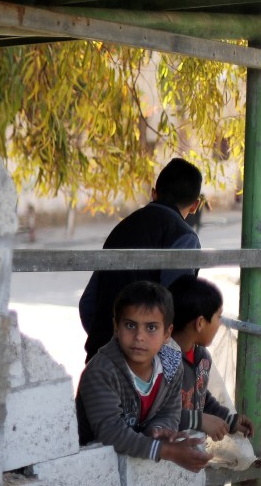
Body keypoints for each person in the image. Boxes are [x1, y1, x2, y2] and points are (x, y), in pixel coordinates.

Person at [76, 281, 213, 473]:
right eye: (130, 325)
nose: (139, 336)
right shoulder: (101, 371)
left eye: (151, 328)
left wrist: (157, 430)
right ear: (116, 326)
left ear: (167, 333)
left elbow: (169, 413)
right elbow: (110, 433)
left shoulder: (171, 366)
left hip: (134, 468)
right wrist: (166, 451)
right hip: (91, 469)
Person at [80, 158, 203, 361]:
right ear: (194, 206)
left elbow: (88, 303)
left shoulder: (122, 228)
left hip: (100, 355)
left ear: (154, 193)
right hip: (143, 366)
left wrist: (109, 338)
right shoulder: (184, 238)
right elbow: (176, 309)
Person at [167, 275, 255, 441]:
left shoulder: (202, 358)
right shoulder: (163, 362)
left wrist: (231, 420)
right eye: (218, 317)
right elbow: (157, 414)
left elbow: (200, 397)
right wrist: (199, 421)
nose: (220, 323)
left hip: (188, 450)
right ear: (200, 323)